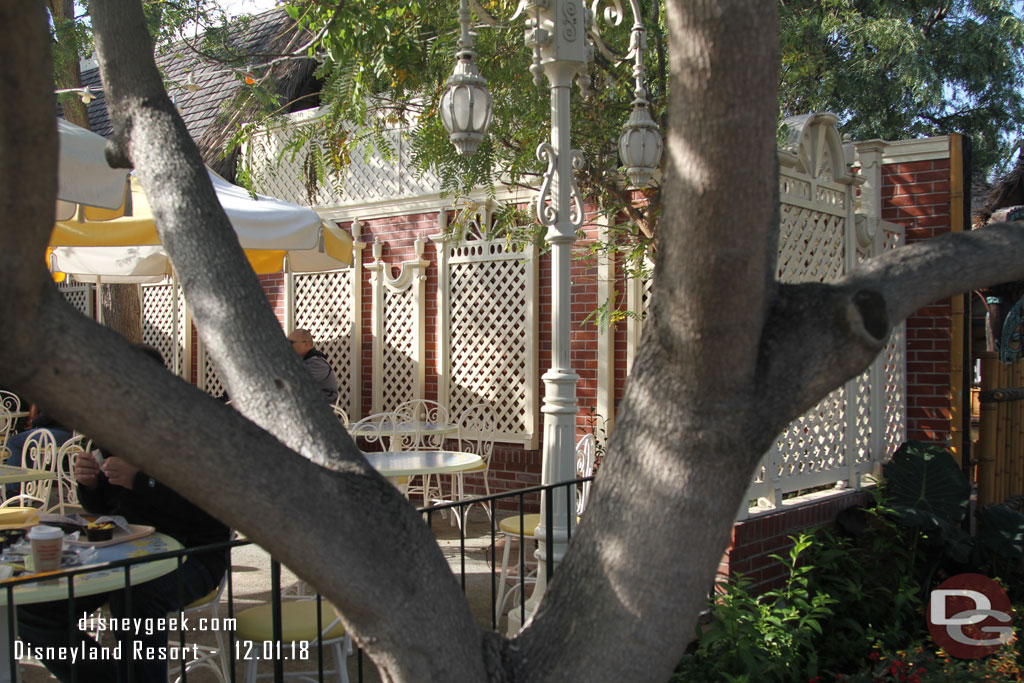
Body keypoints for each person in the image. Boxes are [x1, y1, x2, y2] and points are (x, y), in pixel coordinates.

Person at [17, 345, 230, 683]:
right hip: (127, 551)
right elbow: (109, 508)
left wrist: (142, 481)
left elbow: (214, 512)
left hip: (196, 555)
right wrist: (90, 484)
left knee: (135, 599)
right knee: (34, 612)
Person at [287, 328, 340, 404]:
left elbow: (298, 380)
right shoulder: (303, 361)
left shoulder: (318, 364)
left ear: (306, 344)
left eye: (291, 342)